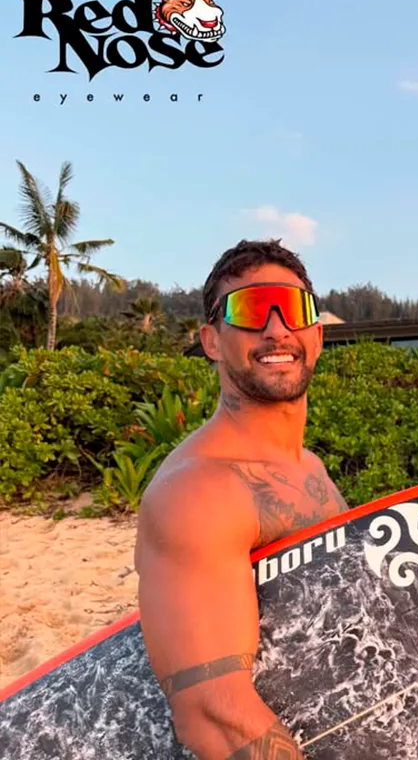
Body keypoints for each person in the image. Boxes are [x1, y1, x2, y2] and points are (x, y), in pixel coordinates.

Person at [134, 239, 349, 759]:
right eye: (251, 311)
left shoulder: (310, 468)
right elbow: (214, 713)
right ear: (212, 340)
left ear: (317, 335)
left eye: (293, 309)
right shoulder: (199, 491)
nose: (277, 329)